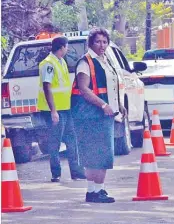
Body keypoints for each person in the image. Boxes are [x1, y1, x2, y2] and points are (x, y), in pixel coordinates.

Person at [71, 27, 126, 203]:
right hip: (90, 116)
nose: (102, 45)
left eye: (104, 42)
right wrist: (103, 104)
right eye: (98, 42)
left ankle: (98, 190)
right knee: (95, 155)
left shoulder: (105, 60)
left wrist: (119, 105)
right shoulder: (85, 62)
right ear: (91, 43)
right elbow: (84, 89)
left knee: (103, 154)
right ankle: (93, 192)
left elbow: (111, 86)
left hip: (105, 115)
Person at [37, 36, 86, 182]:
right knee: (55, 142)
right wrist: (53, 111)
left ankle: (76, 172)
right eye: (66, 46)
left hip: (65, 108)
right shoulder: (49, 64)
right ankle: (56, 173)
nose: (67, 49)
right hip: (54, 110)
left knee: (72, 139)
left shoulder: (61, 61)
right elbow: (47, 86)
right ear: (62, 47)